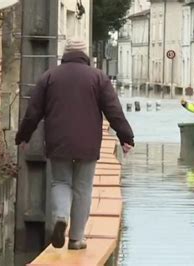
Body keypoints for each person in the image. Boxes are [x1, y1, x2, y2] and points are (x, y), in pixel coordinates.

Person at [15, 39, 134, 250]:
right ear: (85, 55)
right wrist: (126, 137)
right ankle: (76, 239)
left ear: (65, 54)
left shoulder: (49, 76)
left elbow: (33, 112)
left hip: (58, 141)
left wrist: (23, 136)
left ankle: (61, 216)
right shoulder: (98, 77)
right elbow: (113, 110)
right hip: (87, 144)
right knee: (83, 188)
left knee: (60, 182)